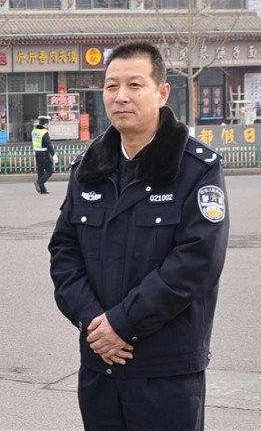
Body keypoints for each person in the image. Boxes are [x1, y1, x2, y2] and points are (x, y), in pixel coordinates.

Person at [48, 41, 230, 431]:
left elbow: (197, 262)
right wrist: (94, 323)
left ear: (161, 93)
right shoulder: (88, 170)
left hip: (166, 368)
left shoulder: (195, 168)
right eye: (111, 86)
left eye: (134, 85)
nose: (121, 97)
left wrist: (121, 324)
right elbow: (64, 252)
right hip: (100, 362)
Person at [31, 116, 56, 194]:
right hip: (44, 153)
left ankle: (42, 190)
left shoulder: (34, 131)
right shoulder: (44, 132)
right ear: (45, 124)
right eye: (48, 124)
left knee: (40, 171)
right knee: (50, 170)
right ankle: (39, 182)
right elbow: (48, 144)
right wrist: (53, 154)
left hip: (37, 153)